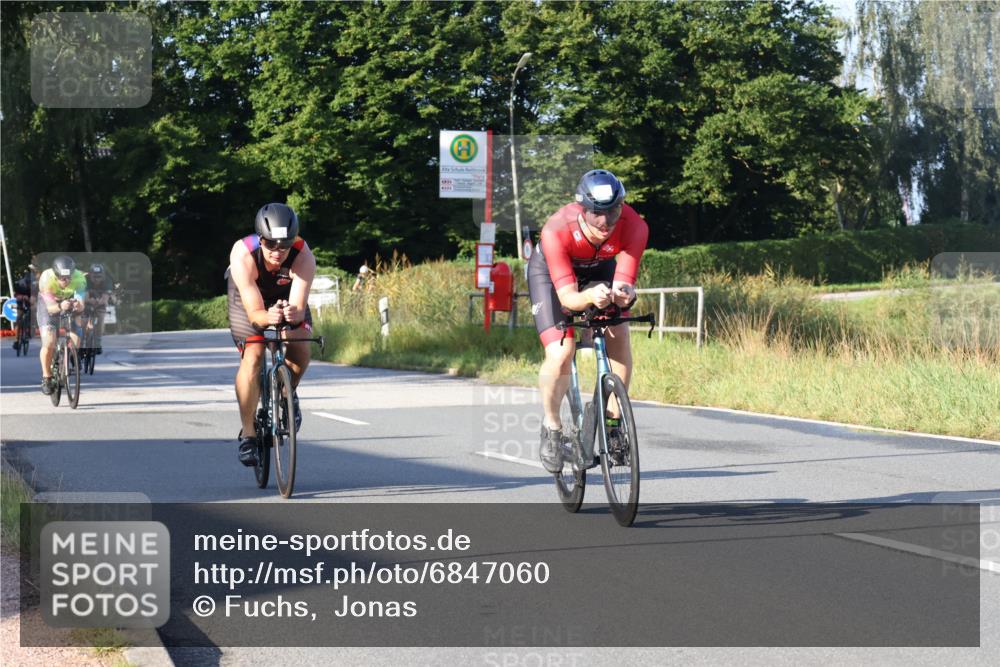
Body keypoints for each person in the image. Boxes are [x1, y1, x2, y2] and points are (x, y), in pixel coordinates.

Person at [527, 169, 649, 472]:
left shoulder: (634, 226)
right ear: (582, 209)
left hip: (598, 270)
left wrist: (624, 293)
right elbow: (568, 299)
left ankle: (613, 422)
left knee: (618, 335)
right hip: (552, 276)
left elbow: (626, 280)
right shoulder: (556, 229)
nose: (605, 222)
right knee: (562, 351)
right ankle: (552, 427)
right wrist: (590, 296)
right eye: (597, 214)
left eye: (612, 212)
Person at [227, 203, 316, 466]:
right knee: (253, 354)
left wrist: (289, 314)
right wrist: (268, 317)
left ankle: (287, 392)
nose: (278, 251)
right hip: (247, 300)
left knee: (299, 344)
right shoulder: (243, 254)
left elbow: (298, 311)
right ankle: (249, 434)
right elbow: (255, 313)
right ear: (260, 239)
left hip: (285, 297)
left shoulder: (303, 254)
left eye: (285, 244)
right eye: (270, 244)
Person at [37, 256, 86, 394]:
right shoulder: (46, 279)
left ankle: (71, 356)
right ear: (56, 275)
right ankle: (47, 377)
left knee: (76, 335)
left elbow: (82, 305)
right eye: (63, 279)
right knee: (49, 342)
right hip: (49, 304)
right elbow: (51, 309)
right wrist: (60, 305)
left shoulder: (80, 278)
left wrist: (78, 305)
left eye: (69, 278)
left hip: (69, 301)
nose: (66, 281)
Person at [83, 263, 116, 354]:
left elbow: (105, 299)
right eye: (94, 277)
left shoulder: (107, 280)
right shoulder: (85, 279)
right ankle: (83, 340)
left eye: (99, 276)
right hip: (88, 299)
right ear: (90, 275)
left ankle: (98, 343)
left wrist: (98, 302)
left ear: (103, 275)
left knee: (101, 317)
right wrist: (90, 301)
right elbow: (85, 298)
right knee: (84, 320)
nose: (97, 279)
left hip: (101, 299)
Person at [11, 264, 37, 352]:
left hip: (30, 300)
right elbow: (16, 294)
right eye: (28, 284)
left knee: (32, 311)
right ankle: (17, 340)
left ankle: (30, 329)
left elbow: (35, 296)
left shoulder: (34, 285)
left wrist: (31, 300)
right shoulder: (20, 284)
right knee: (19, 318)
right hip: (21, 301)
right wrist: (21, 296)